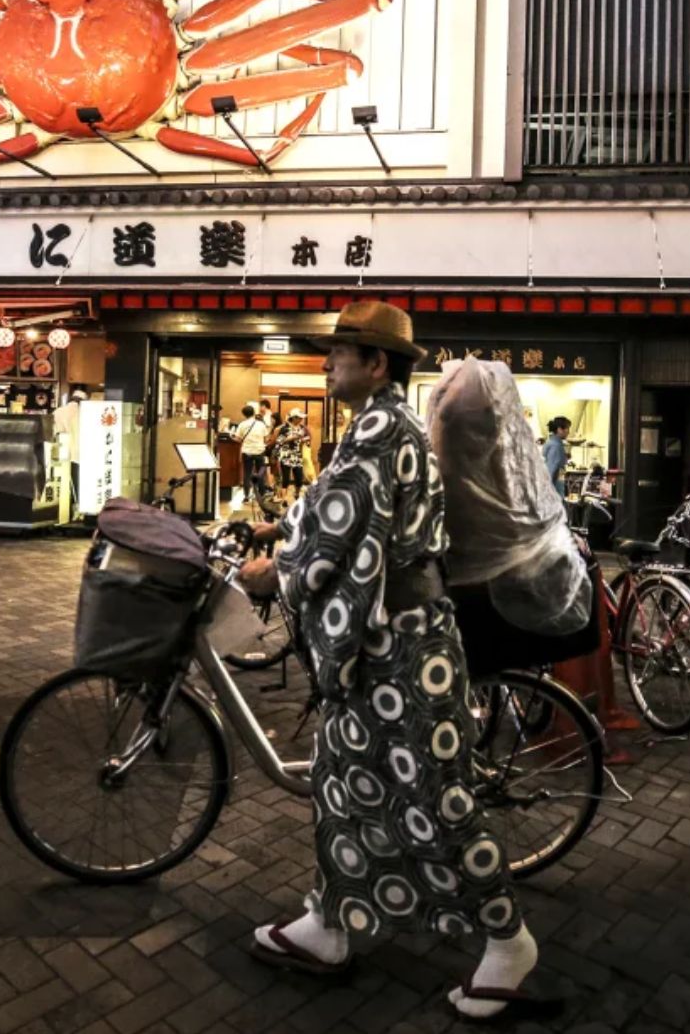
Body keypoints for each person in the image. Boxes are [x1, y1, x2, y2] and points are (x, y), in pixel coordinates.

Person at [237, 302, 556, 1023]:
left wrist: (281, 569)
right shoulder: (381, 426)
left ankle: (507, 940)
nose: (326, 363)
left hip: (401, 647)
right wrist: (285, 524)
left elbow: (344, 539)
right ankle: (329, 920)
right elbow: (337, 512)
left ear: (375, 363)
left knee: (436, 799)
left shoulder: (382, 427)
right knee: (344, 784)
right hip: (391, 641)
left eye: (338, 351)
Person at [232, 402, 271, 502]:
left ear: (244, 414)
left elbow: (238, 439)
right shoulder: (261, 424)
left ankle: (246, 496)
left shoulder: (242, 425)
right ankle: (262, 495)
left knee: (247, 473)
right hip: (259, 451)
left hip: (247, 452)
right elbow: (266, 439)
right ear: (254, 413)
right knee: (260, 472)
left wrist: (232, 437)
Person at [273, 408, 311, 497]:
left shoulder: (302, 428)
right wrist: (292, 437)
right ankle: (284, 499)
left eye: (302, 418)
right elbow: (279, 441)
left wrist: (304, 439)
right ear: (294, 418)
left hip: (297, 455)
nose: (301, 420)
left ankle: (297, 494)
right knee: (286, 479)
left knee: (299, 478)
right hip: (286, 455)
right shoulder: (285, 428)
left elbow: (307, 437)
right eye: (299, 418)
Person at [542, 417, 571, 497]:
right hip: (554, 490)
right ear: (559, 429)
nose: (568, 432)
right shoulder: (556, 446)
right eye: (567, 428)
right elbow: (551, 469)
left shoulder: (552, 442)